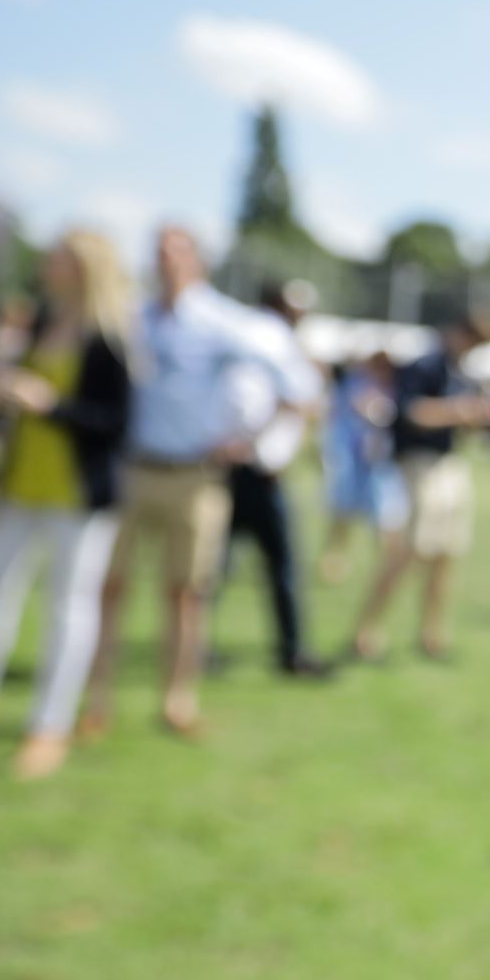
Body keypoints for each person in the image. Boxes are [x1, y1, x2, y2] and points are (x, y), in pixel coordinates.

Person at [81, 225, 301, 737]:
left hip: (193, 477)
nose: (167, 264)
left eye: (177, 255)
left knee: (185, 594)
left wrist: (243, 440)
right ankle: (96, 700)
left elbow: (290, 383)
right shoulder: (134, 316)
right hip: (133, 470)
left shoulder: (220, 321)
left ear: (196, 262)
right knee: (109, 589)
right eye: (159, 254)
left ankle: (177, 699)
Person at [0, 231, 134, 780]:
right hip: (20, 485)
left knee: (69, 608)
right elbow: (10, 390)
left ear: (84, 268)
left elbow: (114, 425)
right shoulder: (45, 321)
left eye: (59, 258)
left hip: (76, 495)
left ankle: (50, 724)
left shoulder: (109, 338)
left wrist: (51, 405)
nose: (48, 265)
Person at [349, 310, 490, 662]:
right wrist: (460, 411)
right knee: (410, 551)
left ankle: (431, 634)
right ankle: (366, 630)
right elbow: (410, 413)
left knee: (447, 553)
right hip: (418, 463)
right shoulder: (426, 365)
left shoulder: (459, 370)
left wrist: (480, 417)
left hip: (448, 464)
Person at [215, 281, 329, 678]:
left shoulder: (275, 339)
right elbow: (257, 400)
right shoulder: (266, 337)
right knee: (268, 566)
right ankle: (291, 652)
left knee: (226, 566)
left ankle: (290, 650)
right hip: (251, 470)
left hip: (258, 469)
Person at [317, 351, 409, 584]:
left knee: (386, 518)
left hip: (380, 464)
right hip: (352, 460)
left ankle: (389, 568)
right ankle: (333, 562)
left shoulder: (398, 389)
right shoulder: (354, 384)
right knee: (343, 512)